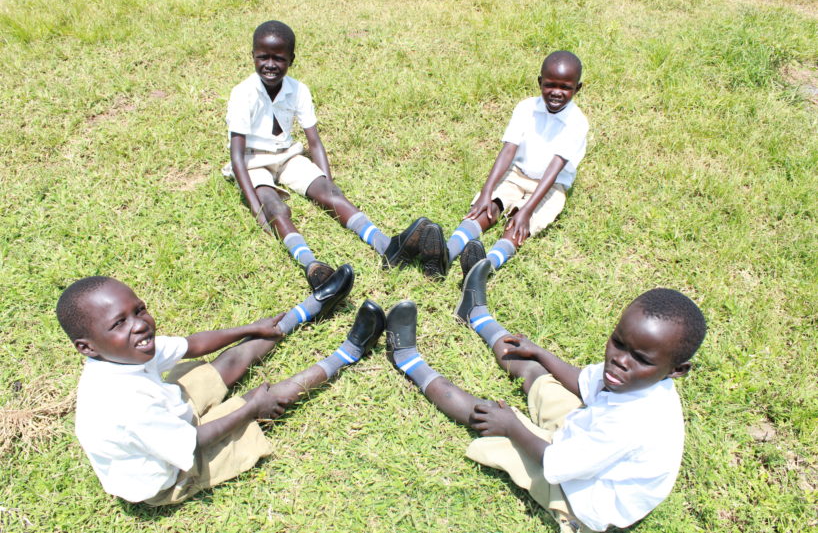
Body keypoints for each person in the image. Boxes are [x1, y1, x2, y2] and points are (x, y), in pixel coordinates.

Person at [386, 259, 706, 532]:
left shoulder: (631, 425)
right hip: (584, 437)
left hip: (583, 494)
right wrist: (540, 353)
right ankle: (476, 313)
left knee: (488, 415)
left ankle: (407, 359)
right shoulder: (632, 379)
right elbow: (582, 381)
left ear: (676, 370)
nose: (620, 360)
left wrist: (513, 426)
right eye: (618, 343)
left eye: (641, 359)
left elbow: (555, 463)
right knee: (534, 371)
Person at [56, 270, 387, 505]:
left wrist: (250, 327)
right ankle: (349, 352)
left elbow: (194, 344)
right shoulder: (123, 405)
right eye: (119, 322)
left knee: (225, 362)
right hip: (172, 470)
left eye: (139, 309)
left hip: (166, 417)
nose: (140, 324)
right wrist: (250, 410)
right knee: (264, 399)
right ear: (88, 347)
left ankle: (311, 307)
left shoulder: (124, 351)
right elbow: (195, 440)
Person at [223, 20, 434, 288]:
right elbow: (237, 155)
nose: (270, 64)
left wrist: (327, 181)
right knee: (275, 206)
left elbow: (314, 141)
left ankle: (386, 246)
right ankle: (311, 264)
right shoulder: (243, 94)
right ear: (252, 56)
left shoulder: (298, 90)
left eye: (279, 58)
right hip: (253, 160)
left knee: (331, 194)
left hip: (286, 155)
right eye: (263, 57)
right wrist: (255, 206)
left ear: (292, 59)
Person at [418, 51, 589, 281]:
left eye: (565, 87)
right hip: (516, 175)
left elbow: (555, 168)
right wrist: (487, 192)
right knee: (487, 208)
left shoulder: (577, 123)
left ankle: (482, 269)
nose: (556, 92)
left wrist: (526, 210)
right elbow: (508, 150)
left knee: (519, 226)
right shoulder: (526, 108)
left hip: (551, 185)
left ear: (577, 88)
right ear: (540, 82)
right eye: (550, 85)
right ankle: (446, 254)